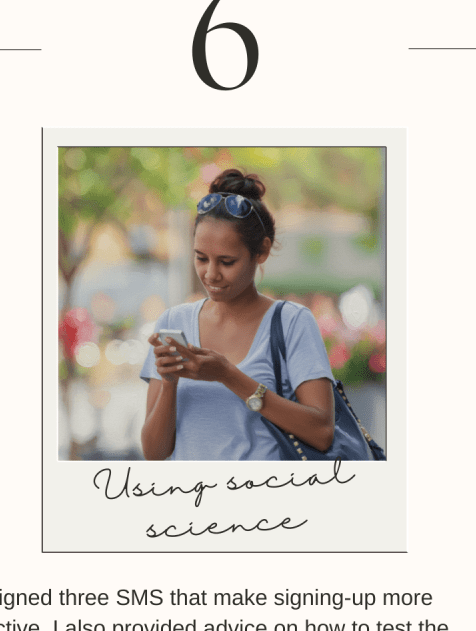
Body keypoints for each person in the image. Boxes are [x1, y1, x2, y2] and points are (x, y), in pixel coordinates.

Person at [140, 169, 335, 461]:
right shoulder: (174, 322)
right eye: (201, 258)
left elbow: (321, 432)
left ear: (262, 252)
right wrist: (170, 382)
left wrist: (228, 375)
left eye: (227, 262)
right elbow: (154, 453)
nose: (211, 274)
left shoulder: (291, 322)